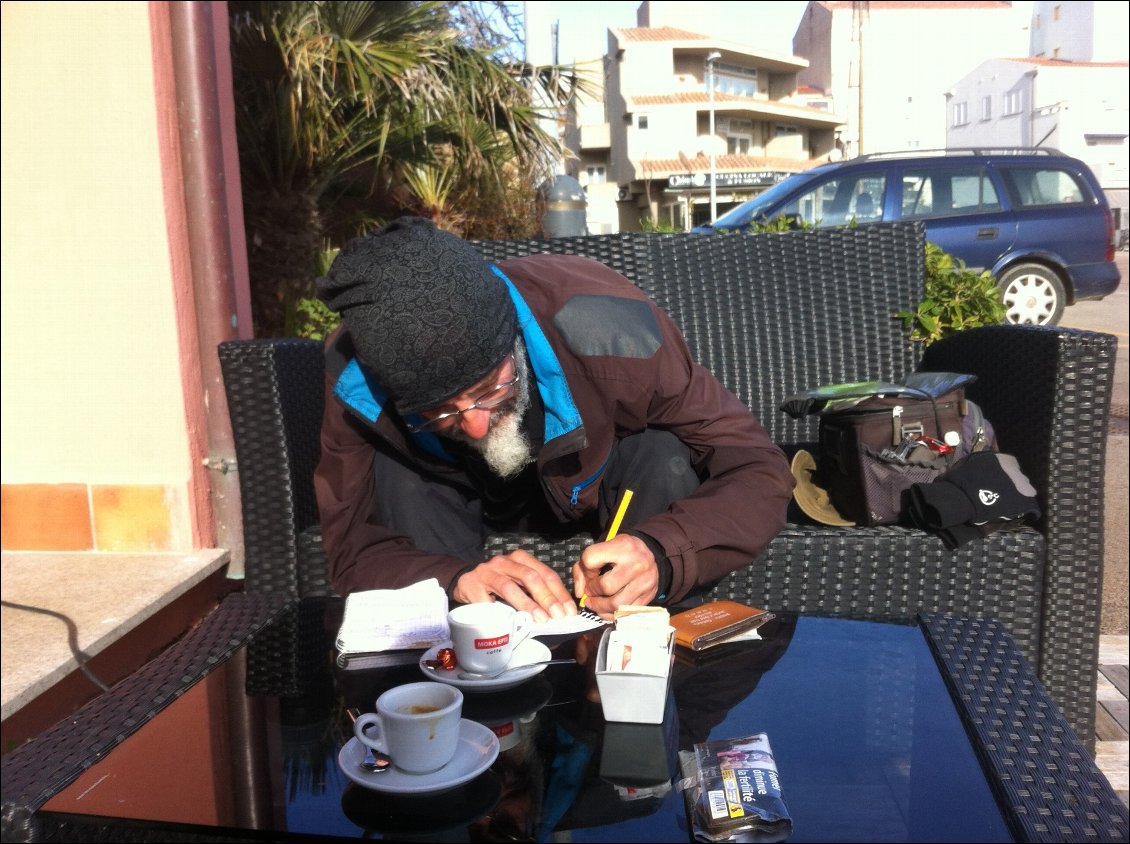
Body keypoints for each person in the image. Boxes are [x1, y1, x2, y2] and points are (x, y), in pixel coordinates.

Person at [313, 216, 794, 620]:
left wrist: (662, 552)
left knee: (663, 452)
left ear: (515, 339)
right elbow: (352, 551)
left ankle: (647, 660)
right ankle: (457, 683)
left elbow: (758, 468)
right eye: (439, 412)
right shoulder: (357, 380)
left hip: (602, 484)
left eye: (489, 389)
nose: (476, 427)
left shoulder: (612, 329)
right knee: (397, 476)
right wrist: (452, 581)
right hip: (452, 502)